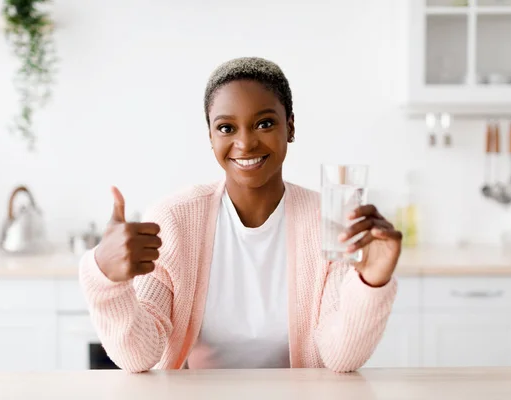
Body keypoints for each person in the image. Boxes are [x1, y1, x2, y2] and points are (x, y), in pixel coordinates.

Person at [79, 57, 402, 373]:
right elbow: (138, 357)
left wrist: (371, 282)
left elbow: (341, 358)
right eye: (226, 127)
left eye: (264, 123)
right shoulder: (173, 219)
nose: (245, 143)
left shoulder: (330, 222)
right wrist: (105, 279)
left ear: (289, 126)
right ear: (210, 136)